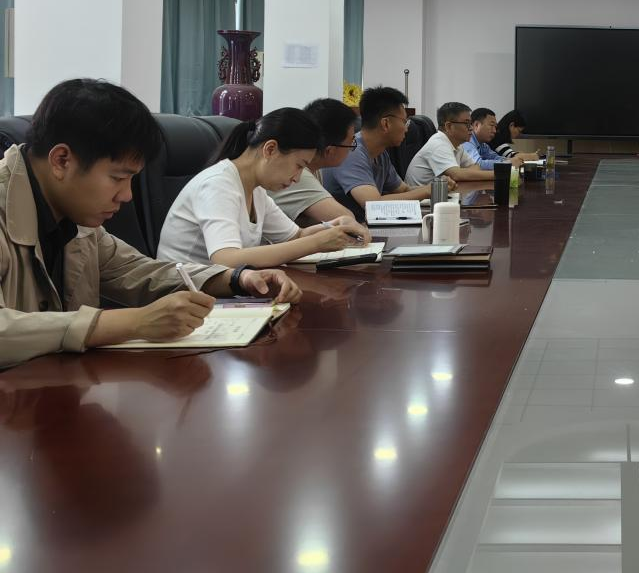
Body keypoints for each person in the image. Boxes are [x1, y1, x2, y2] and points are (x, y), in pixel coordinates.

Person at [0, 79, 301, 369]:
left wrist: (237, 279)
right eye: (118, 178)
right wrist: (133, 322)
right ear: (62, 160)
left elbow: (139, 271)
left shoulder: (78, 221)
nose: (127, 195)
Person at [158, 108, 368, 268]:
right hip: (185, 295)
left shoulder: (256, 190)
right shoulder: (217, 184)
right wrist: (317, 243)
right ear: (270, 149)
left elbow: (295, 237)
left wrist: (333, 227)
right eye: (299, 166)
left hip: (221, 292)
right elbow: (226, 259)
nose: (297, 178)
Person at [321, 86, 434, 221]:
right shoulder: (351, 150)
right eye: (404, 122)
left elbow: (403, 190)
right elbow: (373, 204)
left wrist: (435, 187)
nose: (406, 129)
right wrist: (426, 191)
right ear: (386, 123)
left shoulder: (380, 153)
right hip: (346, 228)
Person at [269, 98, 360, 225]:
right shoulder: (296, 174)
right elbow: (345, 219)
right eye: (351, 142)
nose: (351, 148)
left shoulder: (313, 168)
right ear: (330, 150)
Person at [406, 101, 495, 185]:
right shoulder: (438, 144)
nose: (471, 128)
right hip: (421, 196)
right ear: (448, 126)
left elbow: (475, 167)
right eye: (466, 123)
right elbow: (456, 175)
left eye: (470, 124)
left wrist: (463, 173)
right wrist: (498, 175)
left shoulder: (457, 145)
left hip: (440, 194)